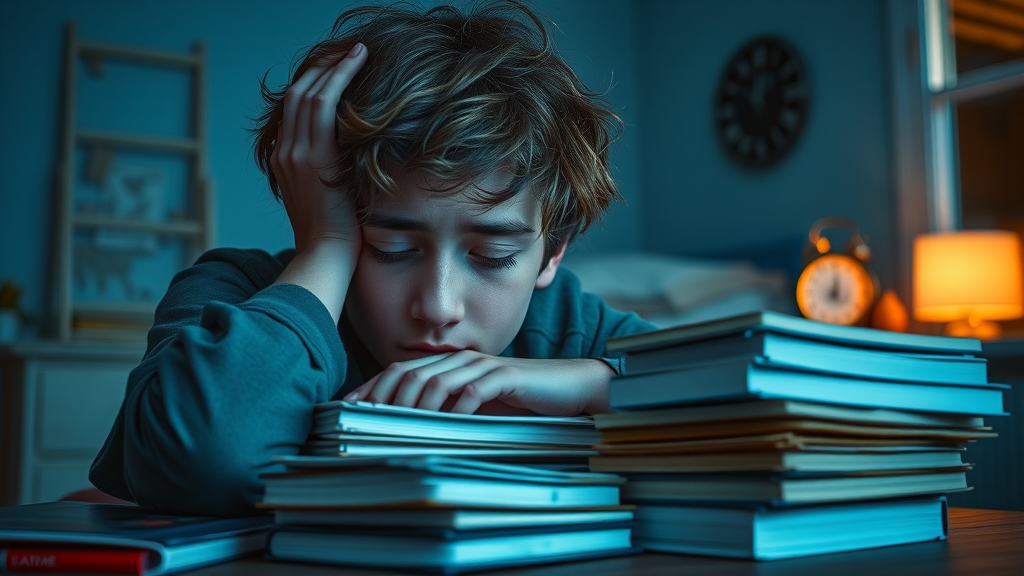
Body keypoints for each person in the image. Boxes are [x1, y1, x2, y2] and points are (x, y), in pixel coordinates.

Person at [90, 0, 655, 516]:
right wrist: (326, 247)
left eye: (492, 256)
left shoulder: (568, 328)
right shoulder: (234, 294)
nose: (437, 307)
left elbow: (731, 397)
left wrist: (591, 384)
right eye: (391, 249)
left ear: (551, 253)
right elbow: (209, 458)